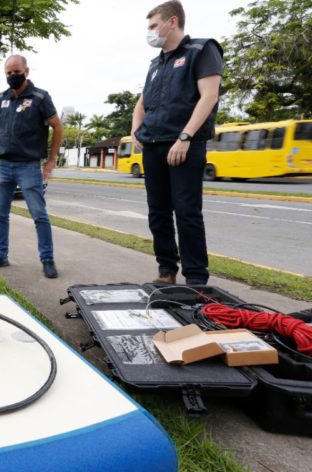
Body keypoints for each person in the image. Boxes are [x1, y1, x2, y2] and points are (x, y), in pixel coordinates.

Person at [131, 1, 222, 285]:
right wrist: (135, 130)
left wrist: (185, 137)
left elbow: (209, 96)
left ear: (172, 22)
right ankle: (166, 270)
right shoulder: (156, 63)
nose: (150, 32)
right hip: (153, 145)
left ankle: (196, 279)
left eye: (153, 25)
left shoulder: (201, 50)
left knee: (186, 212)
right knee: (158, 212)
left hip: (184, 146)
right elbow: (141, 103)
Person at [0, 54, 64, 279]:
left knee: (39, 214)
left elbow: (57, 127)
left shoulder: (40, 97)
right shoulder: (2, 98)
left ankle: (47, 259)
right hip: (4, 165)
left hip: (28, 166)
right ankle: (1, 255)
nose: (12, 76)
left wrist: (51, 160)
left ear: (26, 72)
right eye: (8, 73)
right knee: (0, 214)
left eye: (16, 72)